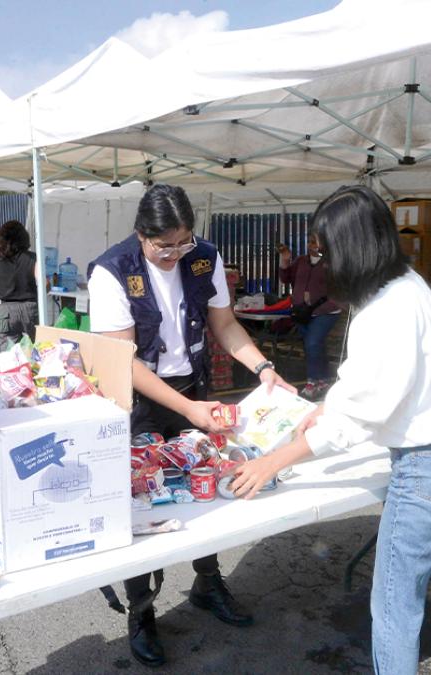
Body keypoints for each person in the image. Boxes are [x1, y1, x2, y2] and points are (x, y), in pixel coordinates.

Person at [233, 185, 431, 675]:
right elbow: (367, 387)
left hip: (426, 467)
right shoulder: (407, 285)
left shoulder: (386, 311)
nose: (321, 260)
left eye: (324, 250)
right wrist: (327, 405)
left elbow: (356, 420)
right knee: (426, 578)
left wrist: (272, 460)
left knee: (394, 604)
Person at [87, 184, 294, 668]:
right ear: (142, 235)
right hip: (139, 396)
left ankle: (207, 580)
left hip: (193, 387)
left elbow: (225, 325)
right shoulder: (112, 271)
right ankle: (141, 613)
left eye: (185, 242)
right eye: (165, 246)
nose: (176, 254)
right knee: (143, 502)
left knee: (204, 487)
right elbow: (123, 361)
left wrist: (264, 369)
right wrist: (185, 409)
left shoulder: (204, 258)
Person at [279, 234, 341, 399]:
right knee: (313, 347)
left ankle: (312, 381)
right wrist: (285, 260)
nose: (311, 245)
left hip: (325, 311)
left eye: (315, 242)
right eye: (310, 241)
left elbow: (341, 288)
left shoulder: (332, 263)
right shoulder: (300, 261)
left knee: (312, 343)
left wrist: (324, 306)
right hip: (302, 312)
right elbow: (285, 279)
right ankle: (323, 380)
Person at [0, 220, 38, 346]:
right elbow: (45, 284)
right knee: (36, 352)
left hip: (5, 311)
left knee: (8, 357)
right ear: (24, 238)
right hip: (31, 309)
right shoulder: (33, 258)